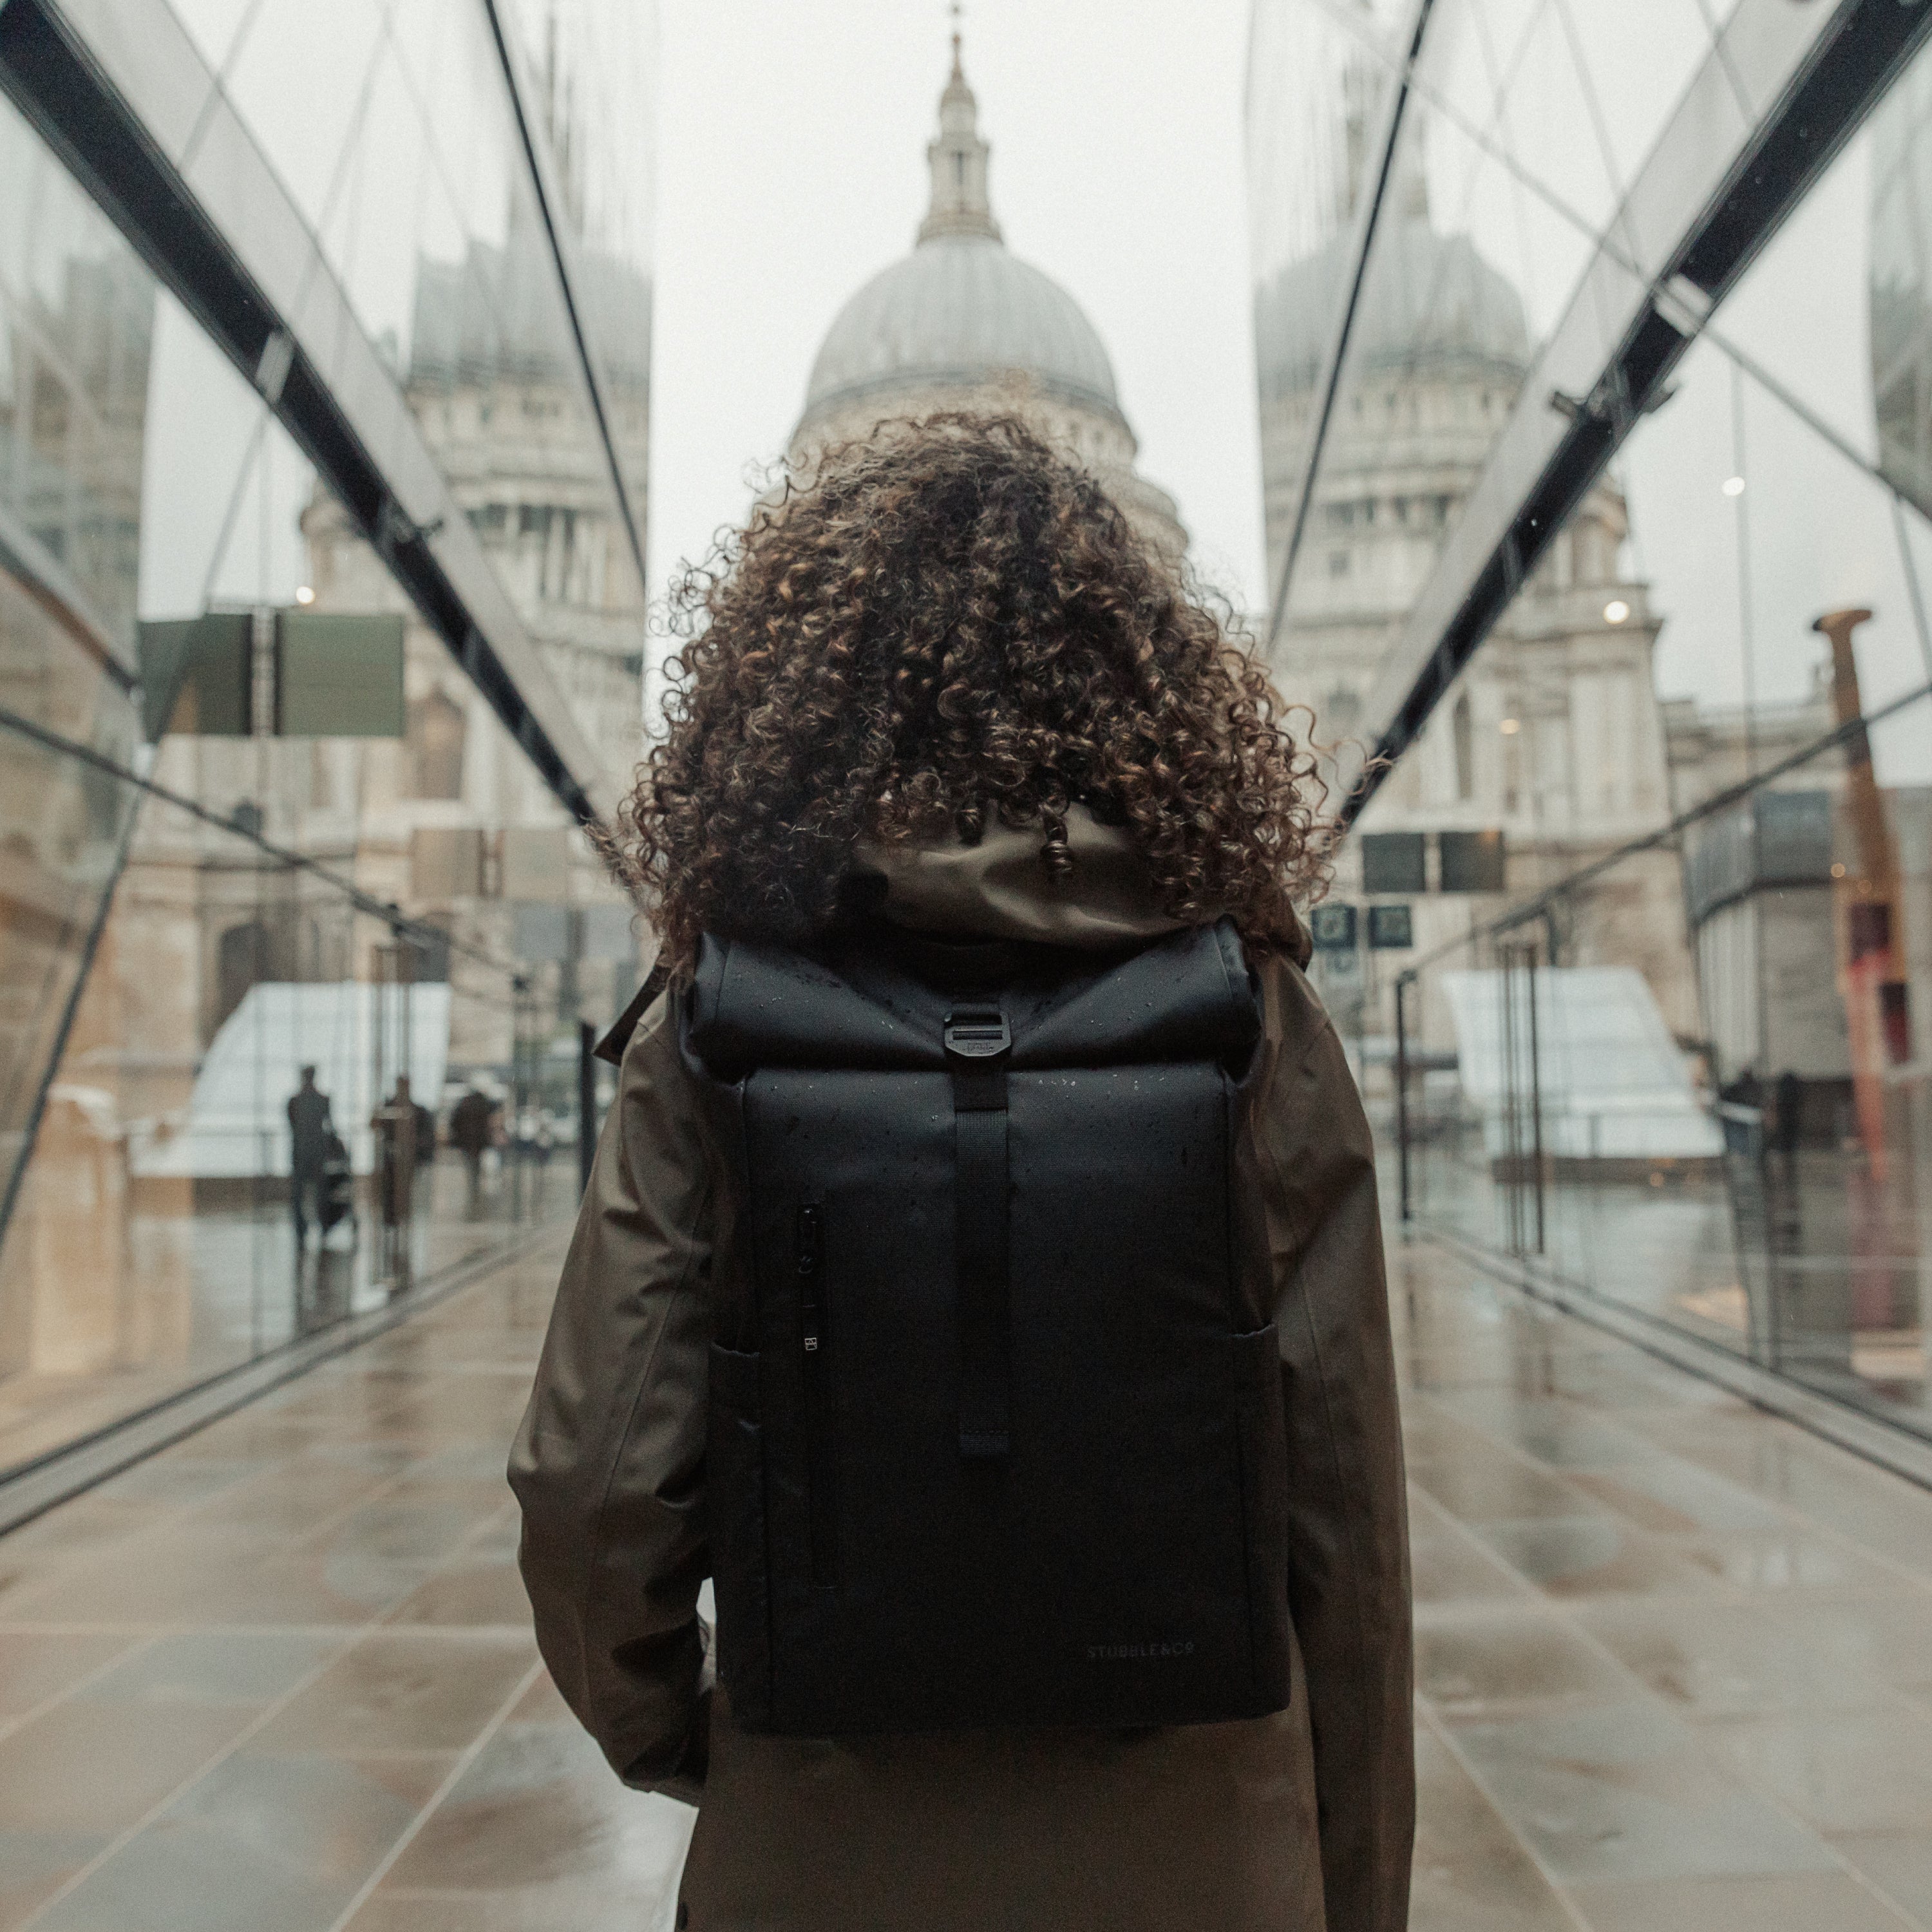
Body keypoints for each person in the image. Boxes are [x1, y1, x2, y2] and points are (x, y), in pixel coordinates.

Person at [510, 415, 1412, 1931]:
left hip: (820, 1841)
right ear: (1142, 680)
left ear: (787, 688)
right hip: (1197, 1847)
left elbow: (593, 1486)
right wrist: (1353, 1885)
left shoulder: (711, 1016)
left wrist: (695, 1740)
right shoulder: (1254, 1010)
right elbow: (1346, 1529)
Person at [287, 1065, 332, 1249]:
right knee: (319, 1192)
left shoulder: (295, 1102)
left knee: (300, 1193)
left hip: (302, 1151)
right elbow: (329, 1125)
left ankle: (303, 1228)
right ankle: (321, 1225)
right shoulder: (322, 1100)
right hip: (316, 1152)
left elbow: (292, 1124)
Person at [448, 1083, 498, 1210]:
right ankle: (475, 1184)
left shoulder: (464, 1104)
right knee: (476, 1163)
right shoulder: (484, 1104)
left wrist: (458, 1136)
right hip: (479, 1140)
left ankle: (473, 1184)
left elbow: (454, 1121)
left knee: (471, 1163)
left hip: (466, 1140)